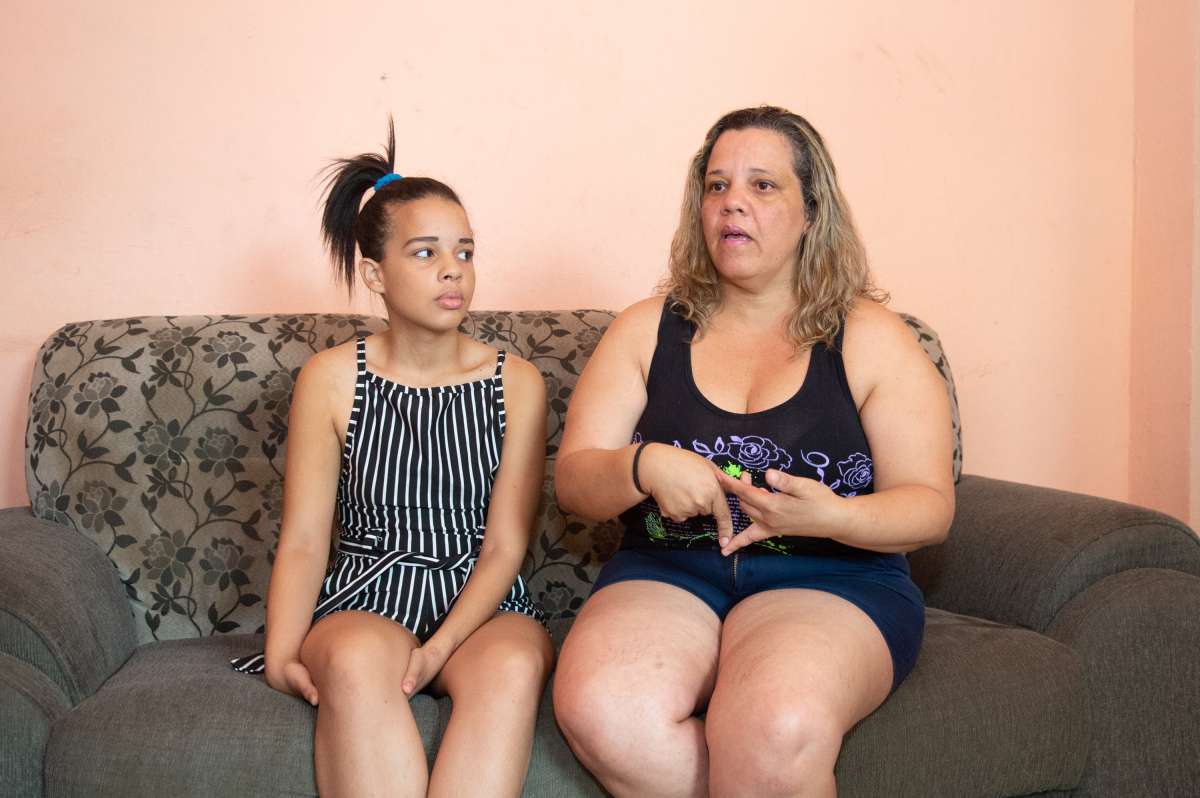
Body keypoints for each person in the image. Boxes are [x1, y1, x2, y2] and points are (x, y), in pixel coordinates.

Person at [551, 106, 955, 798]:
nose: (733, 200)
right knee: (604, 708)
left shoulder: (872, 336)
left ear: (811, 211)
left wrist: (831, 517)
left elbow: (930, 509)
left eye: (763, 186)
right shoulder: (645, 330)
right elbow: (575, 483)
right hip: (670, 569)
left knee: (773, 725)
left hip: (833, 580)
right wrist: (642, 466)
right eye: (716, 186)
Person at [230, 121, 554, 798]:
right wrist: (283, 654)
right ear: (375, 274)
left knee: (514, 667)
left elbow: (503, 548)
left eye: (465, 252)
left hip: (480, 600)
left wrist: (441, 646)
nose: (452, 271)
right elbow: (306, 538)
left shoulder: (516, 383)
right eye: (426, 252)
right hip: (368, 594)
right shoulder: (329, 379)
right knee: (350, 659)